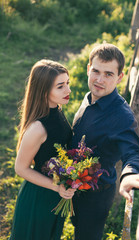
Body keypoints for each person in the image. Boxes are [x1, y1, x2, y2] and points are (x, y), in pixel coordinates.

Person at [71, 43, 139, 240]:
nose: (99, 80)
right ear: (88, 69)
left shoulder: (122, 116)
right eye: (96, 71)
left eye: (109, 74)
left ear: (120, 77)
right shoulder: (90, 97)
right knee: (75, 226)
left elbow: (133, 152)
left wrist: (128, 176)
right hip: (73, 186)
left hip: (95, 196)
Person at [9, 59, 76, 240]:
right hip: (38, 198)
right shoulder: (38, 128)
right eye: (60, 86)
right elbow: (20, 168)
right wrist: (57, 187)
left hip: (55, 195)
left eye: (67, 83)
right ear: (44, 91)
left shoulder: (57, 110)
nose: (68, 90)